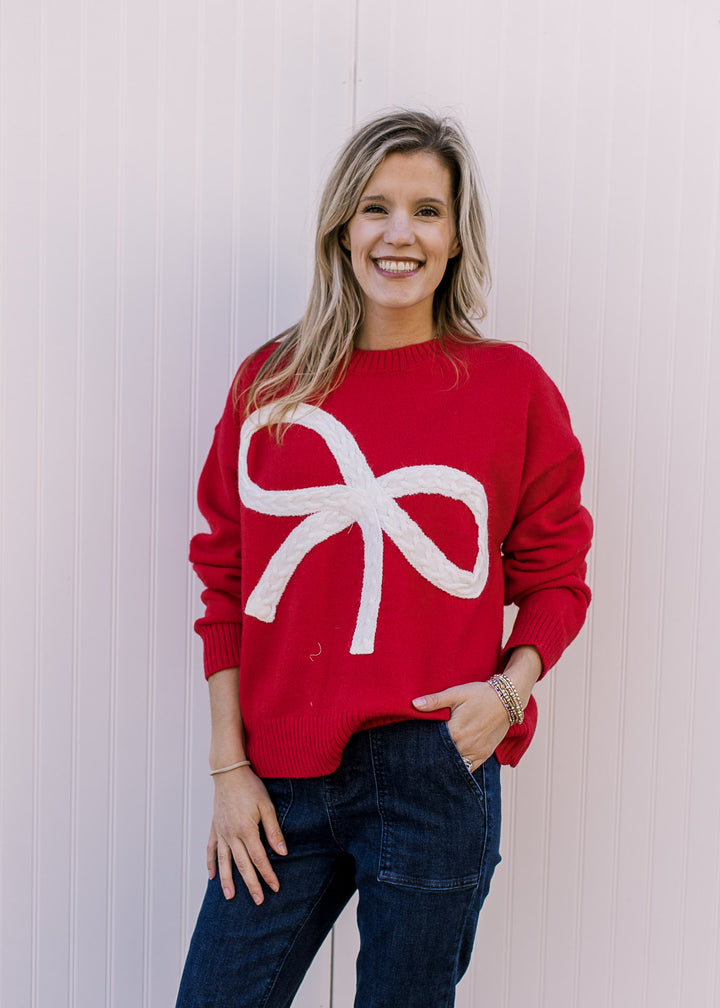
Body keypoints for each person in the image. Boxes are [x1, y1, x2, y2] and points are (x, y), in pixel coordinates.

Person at [175, 109, 592, 1008]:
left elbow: (557, 577)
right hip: (279, 778)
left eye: (427, 211)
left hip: (433, 771)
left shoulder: (510, 387)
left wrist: (507, 694)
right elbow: (226, 579)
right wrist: (229, 766)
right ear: (342, 228)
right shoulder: (270, 385)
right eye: (376, 208)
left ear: (455, 237)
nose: (400, 233)